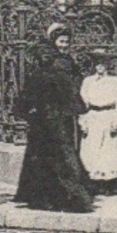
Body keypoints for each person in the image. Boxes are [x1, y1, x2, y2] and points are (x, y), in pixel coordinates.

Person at [15, 22, 96, 213]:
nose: (64, 45)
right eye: (61, 41)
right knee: (59, 153)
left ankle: (46, 197)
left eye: (67, 42)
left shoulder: (60, 62)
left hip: (51, 116)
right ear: (53, 41)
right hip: (52, 116)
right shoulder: (56, 63)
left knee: (48, 155)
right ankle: (66, 196)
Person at [78, 55, 117, 194]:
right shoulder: (88, 81)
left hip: (108, 116)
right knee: (92, 149)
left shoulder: (114, 81)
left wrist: (116, 120)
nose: (100, 66)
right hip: (93, 116)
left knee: (109, 151)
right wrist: (83, 121)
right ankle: (93, 184)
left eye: (103, 63)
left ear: (108, 64)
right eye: (97, 63)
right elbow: (83, 103)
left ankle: (108, 185)